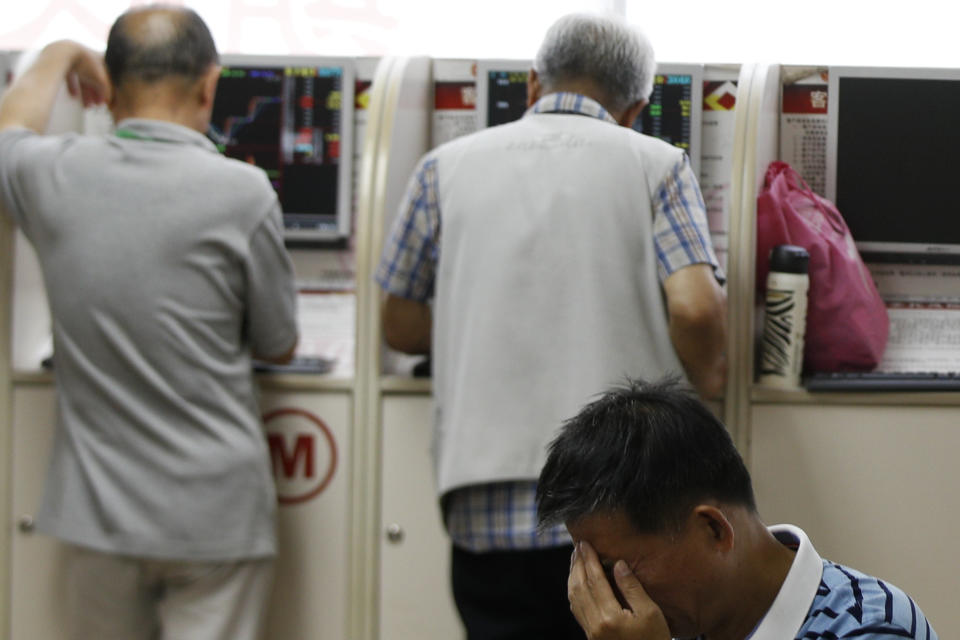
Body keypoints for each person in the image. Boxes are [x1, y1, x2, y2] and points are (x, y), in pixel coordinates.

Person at [375, 12, 726, 639]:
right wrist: (711, 377)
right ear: (636, 107)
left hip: (486, 498)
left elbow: (398, 324)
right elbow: (696, 307)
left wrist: (469, 319)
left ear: (532, 85)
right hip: (622, 498)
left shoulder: (443, 168)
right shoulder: (657, 165)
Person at [0, 6, 298, 639]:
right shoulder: (243, 193)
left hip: (97, 515)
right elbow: (278, 341)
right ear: (209, 84)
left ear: (110, 84)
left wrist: (56, 52)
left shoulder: (54, 176)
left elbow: (8, 131)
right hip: (215, 517)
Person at [536, 377, 938, 640]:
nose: (606, 603)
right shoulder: (675, 623)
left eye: (617, 571)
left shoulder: (871, 627)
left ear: (713, 529)